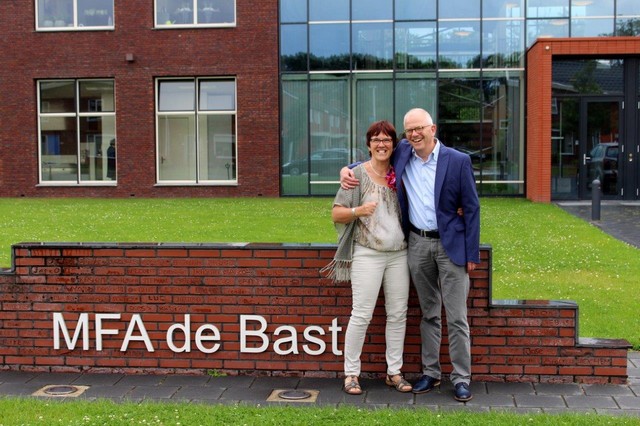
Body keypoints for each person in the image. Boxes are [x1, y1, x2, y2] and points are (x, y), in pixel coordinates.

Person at [340, 108, 480, 402]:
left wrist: (472, 252)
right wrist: (346, 168)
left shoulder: (458, 160)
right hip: (417, 244)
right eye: (409, 130)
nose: (415, 134)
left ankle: (461, 378)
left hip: (451, 246)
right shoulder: (404, 153)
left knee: (456, 317)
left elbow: (472, 208)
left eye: (420, 128)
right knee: (429, 314)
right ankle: (430, 373)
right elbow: (374, 157)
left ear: (433, 129)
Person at [322, 120, 413, 396]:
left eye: (386, 140)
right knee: (361, 314)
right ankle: (351, 374)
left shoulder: (402, 173)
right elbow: (336, 213)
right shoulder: (356, 175)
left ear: (394, 144)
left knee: (398, 314)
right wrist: (358, 211)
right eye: (376, 140)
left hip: (399, 254)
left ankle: (394, 372)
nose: (381, 144)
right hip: (367, 253)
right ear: (369, 145)